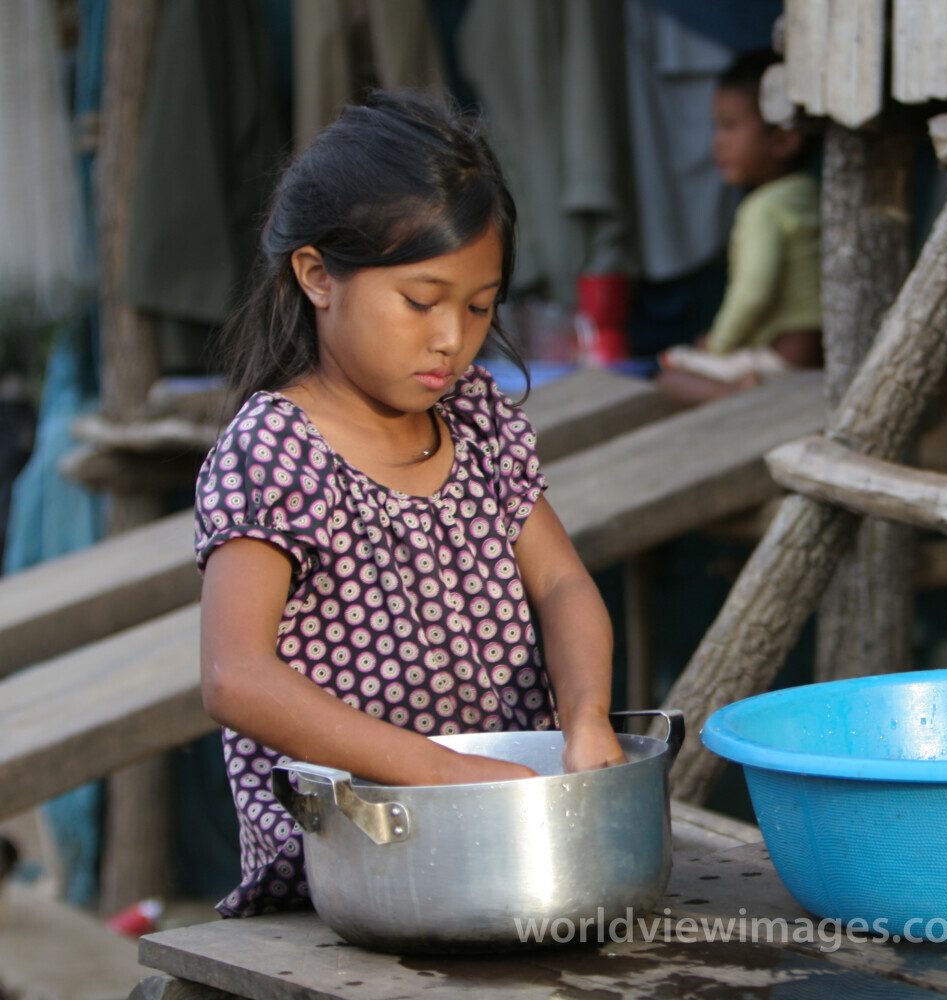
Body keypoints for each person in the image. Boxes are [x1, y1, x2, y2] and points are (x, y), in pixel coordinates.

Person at [195, 92, 625, 918]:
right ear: (318, 276)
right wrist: (441, 774)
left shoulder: (479, 422)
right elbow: (235, 676)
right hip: (344, 864)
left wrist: (586, 717)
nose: (452, 339)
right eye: (421, 302)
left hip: (499, 844)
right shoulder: (276, 450)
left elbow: (564, 583)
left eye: (479, 306)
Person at [656, 50, 821, 405]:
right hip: (816, 357)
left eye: (730, 126)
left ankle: (737, 395)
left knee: (669, 376)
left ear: (784, 140)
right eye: (717, 127)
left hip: (781, 362)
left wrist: (719, 344)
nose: (717, 141)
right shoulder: (809, 194)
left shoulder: (763, 208)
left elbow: (753, 293)